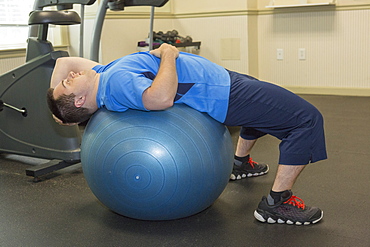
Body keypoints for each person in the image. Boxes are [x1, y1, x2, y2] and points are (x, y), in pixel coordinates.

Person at [47, 44, 327, 225]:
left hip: (220, 79)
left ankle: (240, 162)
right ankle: (276, 205)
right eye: (66, 85)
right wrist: (168, 54)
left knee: (262, 93)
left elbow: (62, 62)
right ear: (80, 101)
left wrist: (58, 110)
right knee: (306, 119)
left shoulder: (100, 76)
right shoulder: (115, 84)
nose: (68, 76)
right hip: (222, 95)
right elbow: (160, 98)